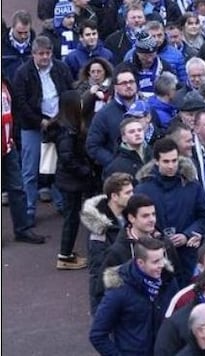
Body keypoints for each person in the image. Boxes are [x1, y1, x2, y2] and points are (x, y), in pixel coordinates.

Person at [135, 137, 205, 285]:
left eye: (174, 160)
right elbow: (135, 222)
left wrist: (187, 234)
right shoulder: (143, 189)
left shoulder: (192, 185)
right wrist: (157, 236)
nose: (171, 166)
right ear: (156, 161)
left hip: (188, 255)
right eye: (166, 161)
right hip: (156, 256)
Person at [12, 35, 73, 224]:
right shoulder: (23, 73)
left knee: (56, 166)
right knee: (29, 171)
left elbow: (69, 92)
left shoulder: (61, 68)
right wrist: (40, 121)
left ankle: (61, 204)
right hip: (32, 127)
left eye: (48, 53)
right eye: (41, 54)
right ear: (33, 55)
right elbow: (20, 102)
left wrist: (61, 118)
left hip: (58, 124)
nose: (45, 57)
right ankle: (29, 211)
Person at [89, 237, 179, 355]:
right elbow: (97, 335)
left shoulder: (168, 280)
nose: (162, 265)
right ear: (141, 263)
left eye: (162, 259)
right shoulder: (119, 290)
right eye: (155, 261)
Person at [1, 74, 50, 244]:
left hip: (7, 145)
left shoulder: (5, 82)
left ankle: (22, 230)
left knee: (17, 188)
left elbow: (11, 111)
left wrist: (12, 138)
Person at [50, 90, 95, 269]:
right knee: (71, 218)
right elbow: (68, 159)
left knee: (72, 217)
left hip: (68, 180)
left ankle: (67, 253)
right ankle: (65, 256)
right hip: (71, 181)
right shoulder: (67, 132)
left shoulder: (65, 127)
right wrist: (85, 171)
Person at [81, 173, 134, 314]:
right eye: (128, 193)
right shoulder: (99, 229)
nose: (132, 195)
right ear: (115, 197)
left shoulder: (127, 215)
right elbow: (97, 271)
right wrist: (98, 309)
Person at [86, 65, 142, 168]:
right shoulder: (104, 114)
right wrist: (114, 163)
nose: (129, 86)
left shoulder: (147, 109)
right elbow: (93, 146)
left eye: (131, 82)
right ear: (115, 87)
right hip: (118, 175)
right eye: (124, 83)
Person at [103, 117, 152, 182]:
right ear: (124, 138)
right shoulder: (115, 167)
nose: (137, 134)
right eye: (132, 132)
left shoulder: (155, 155)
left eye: (140, 130)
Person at [1, 10, 35, 77]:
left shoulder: (37, 45)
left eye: (26, 32)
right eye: (19, 32)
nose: (23, 36)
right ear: (12, 27)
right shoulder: (2, 45)